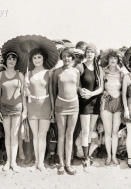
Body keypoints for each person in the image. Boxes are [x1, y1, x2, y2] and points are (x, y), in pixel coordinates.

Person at [24, 45, 57, 171]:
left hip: (45, 105)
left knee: (42, 135)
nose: (37, 60)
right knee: (35, 136)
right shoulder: (28, 73)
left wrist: (53, 110)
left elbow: (52, 92)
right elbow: (25, 95)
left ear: (43, 58)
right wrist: (26, 88)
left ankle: (41, 163)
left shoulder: (49, 72)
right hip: (32, 105)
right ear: (31, 60)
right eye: (34, 58)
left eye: (39, 57)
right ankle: (36, 162)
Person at [51, 47, 83, 175]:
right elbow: (53, 91)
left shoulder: (76, 71)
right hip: (60, 106)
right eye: (64, 56)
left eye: (68, 56)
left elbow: (76, 87)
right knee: (61, 135)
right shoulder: (56, 72)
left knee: (70, 135)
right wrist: (53, 109)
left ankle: (68, 164)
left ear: (72, 58)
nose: (66, 58)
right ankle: (61, 164)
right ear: (61, 57)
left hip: (74, 105)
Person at [0, 52, 26, 172]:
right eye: (9, 59)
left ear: (16, 61)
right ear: (5, 60)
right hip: (4, 108)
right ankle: (8, 161)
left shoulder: (21, 75)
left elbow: (24, 95)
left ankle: (13, 162)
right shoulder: (0, 74)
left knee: (14, 135)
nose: (11, 61)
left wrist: (25, 110)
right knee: (7, 134)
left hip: (17, 108)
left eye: (14, 59)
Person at [98, 50, 125, 167]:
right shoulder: (103, 72)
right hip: (106, 102)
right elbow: (101, 88)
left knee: (115, 132)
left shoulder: (121, 73)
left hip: (118, 102)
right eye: (111, 58)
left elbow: (124, 90)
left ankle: (114, 155)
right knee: (107, 132)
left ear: (118, 60)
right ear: (107, 60)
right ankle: (108, 155)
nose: (113, 60)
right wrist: (104, 92)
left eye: (115, 58)